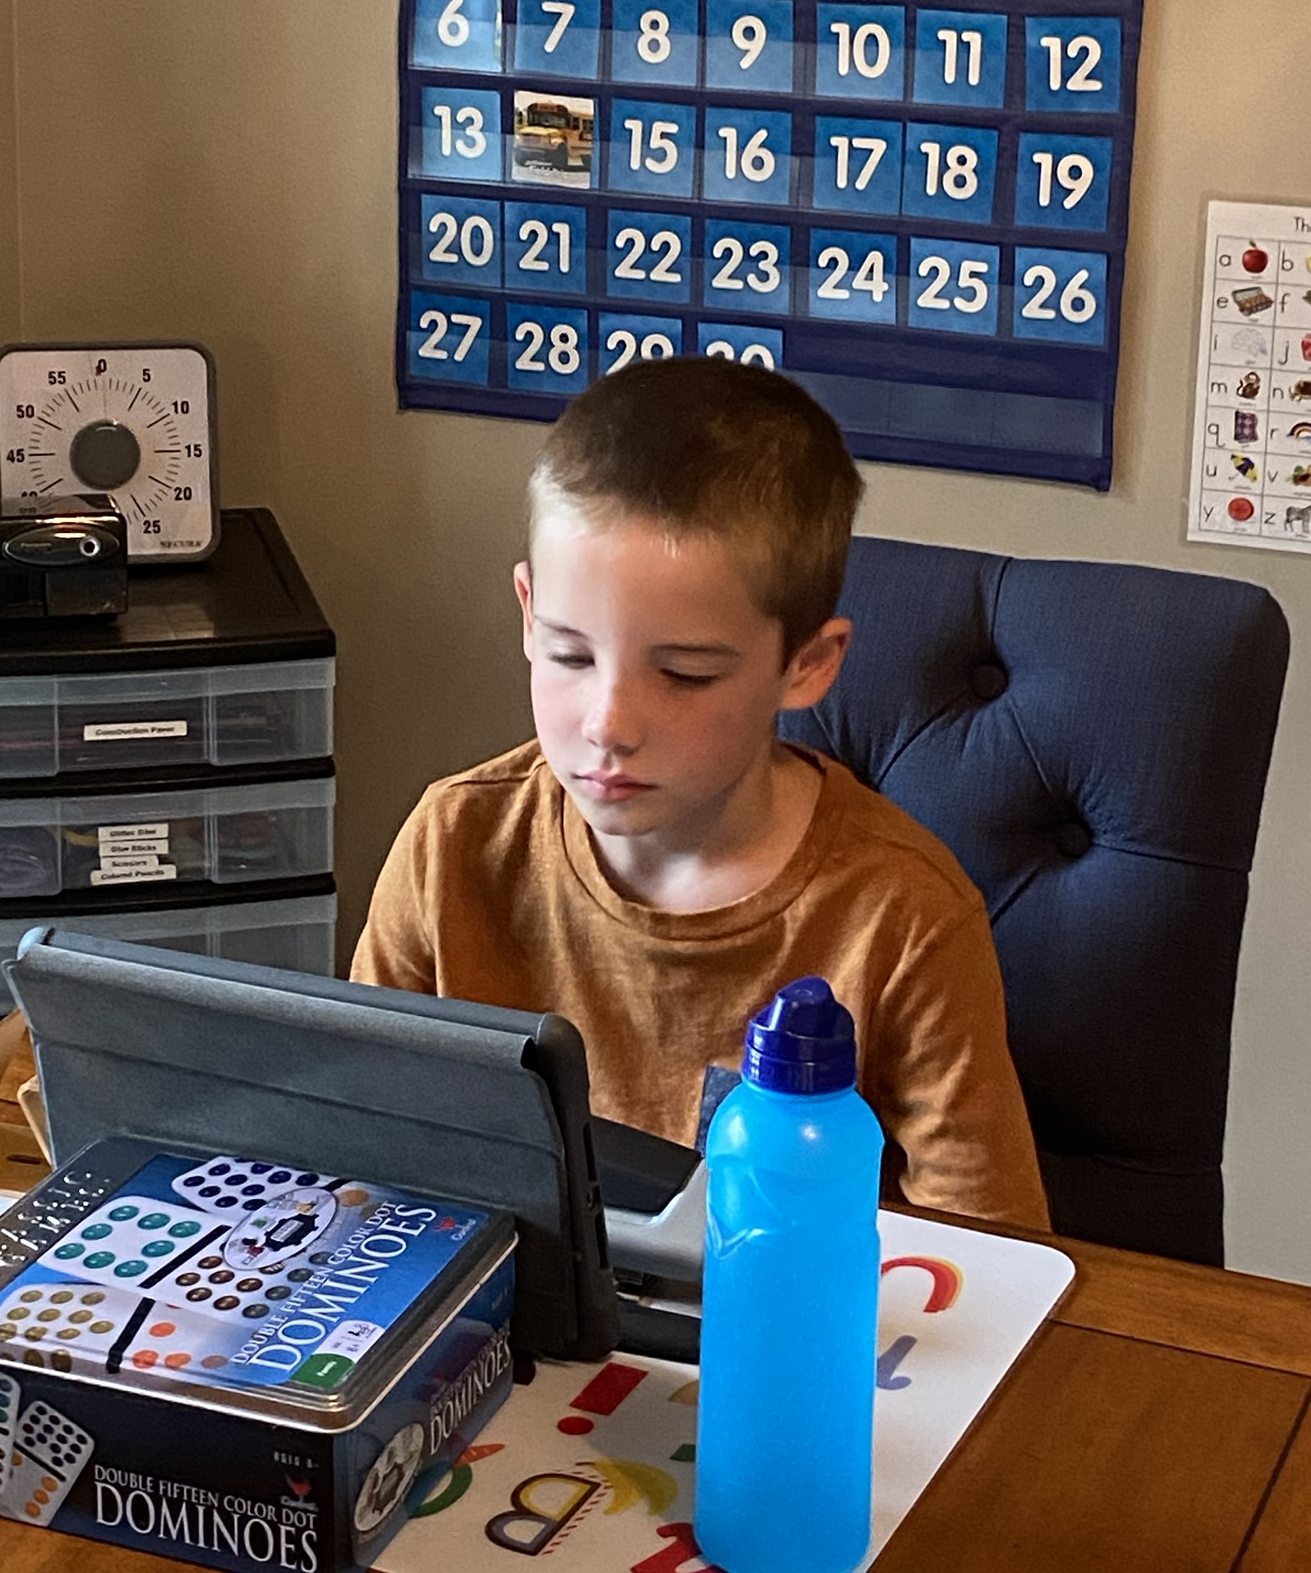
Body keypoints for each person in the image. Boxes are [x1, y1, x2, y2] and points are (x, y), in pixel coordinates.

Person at [352, 358, 1049, 1228]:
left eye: (683, 675)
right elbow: (362, 1160)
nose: (609, 723)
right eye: (569, 654)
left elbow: (995, 1266)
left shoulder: (904, 916)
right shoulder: (452, 844)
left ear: (808, 665)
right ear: (528, 612)